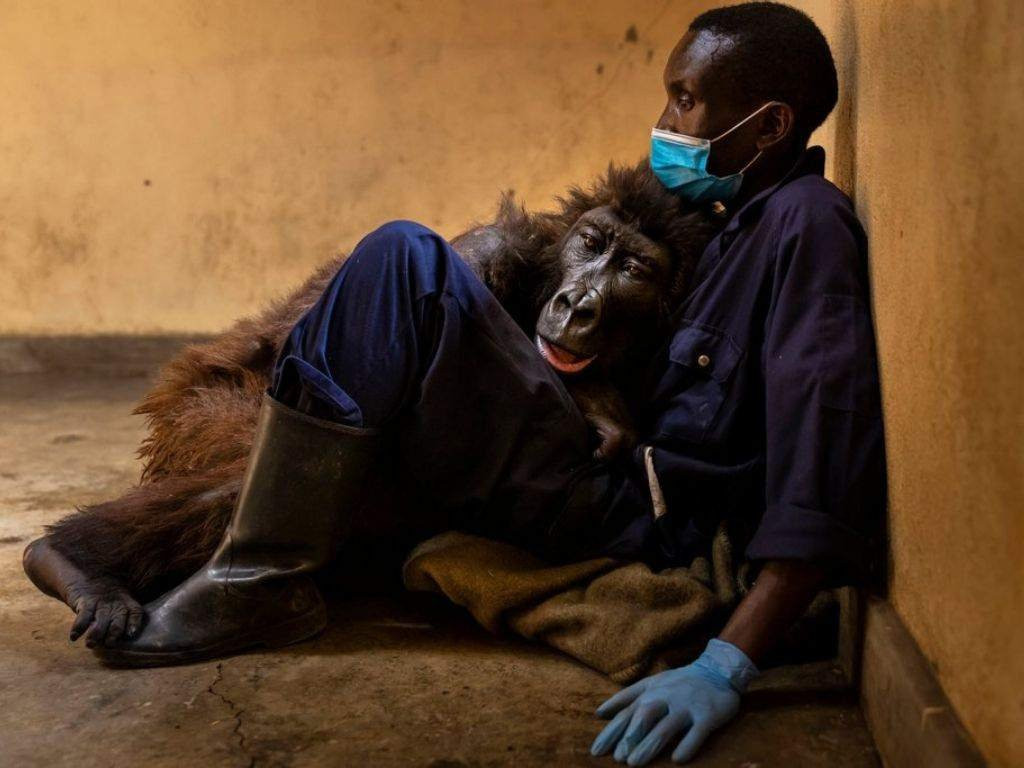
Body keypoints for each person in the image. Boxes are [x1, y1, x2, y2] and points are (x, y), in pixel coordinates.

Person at [80, 3, 886, 764]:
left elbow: (824, 458)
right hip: (590, 460)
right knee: (418, 272)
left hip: (622, 514)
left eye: (685, 101)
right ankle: (250, 556)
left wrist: (727, 663)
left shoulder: (804, 226)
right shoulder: (722, 225)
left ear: (772, 124)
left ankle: (259, 577)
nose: (667, 127)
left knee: (406, 261)